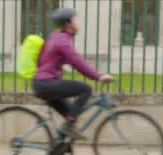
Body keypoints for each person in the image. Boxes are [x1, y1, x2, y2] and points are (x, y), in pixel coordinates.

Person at [33, 7, 114, 139]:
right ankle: (68, 127)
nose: (77, 23)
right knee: (85, 89)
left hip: (43, 83)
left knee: (71, 114)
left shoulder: (56, 37)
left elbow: (48, 61)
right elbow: (77, 62)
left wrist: (57, 70)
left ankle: (58, 152)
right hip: (46, 83)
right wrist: (98, 76)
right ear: (67, 24)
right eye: (74, 21)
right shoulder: (62, 41)